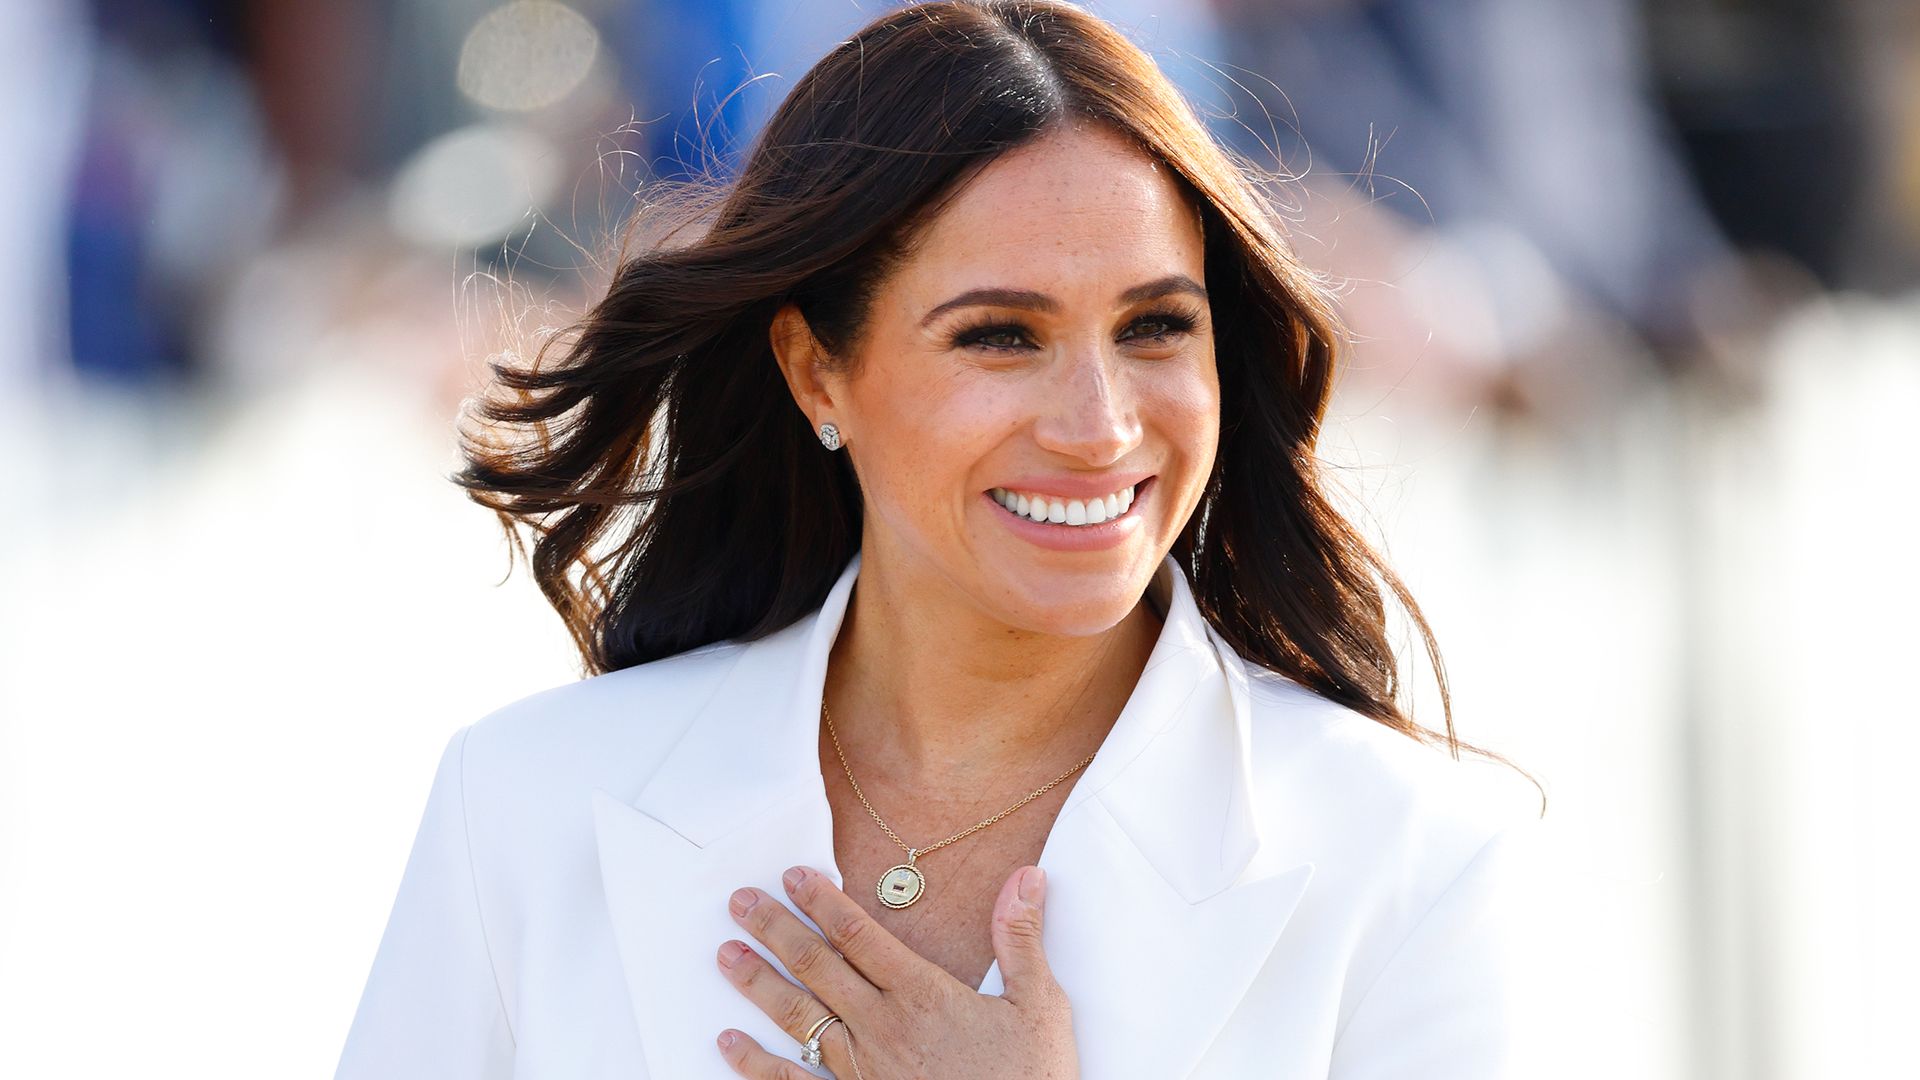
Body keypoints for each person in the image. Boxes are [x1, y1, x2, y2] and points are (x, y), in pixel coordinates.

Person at [334, 2, 1547, 1077]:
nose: (1100, 425)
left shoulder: (1412, 860)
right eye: (1000, 337)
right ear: (818, 372)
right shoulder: (525, 805)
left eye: (1156, 328)